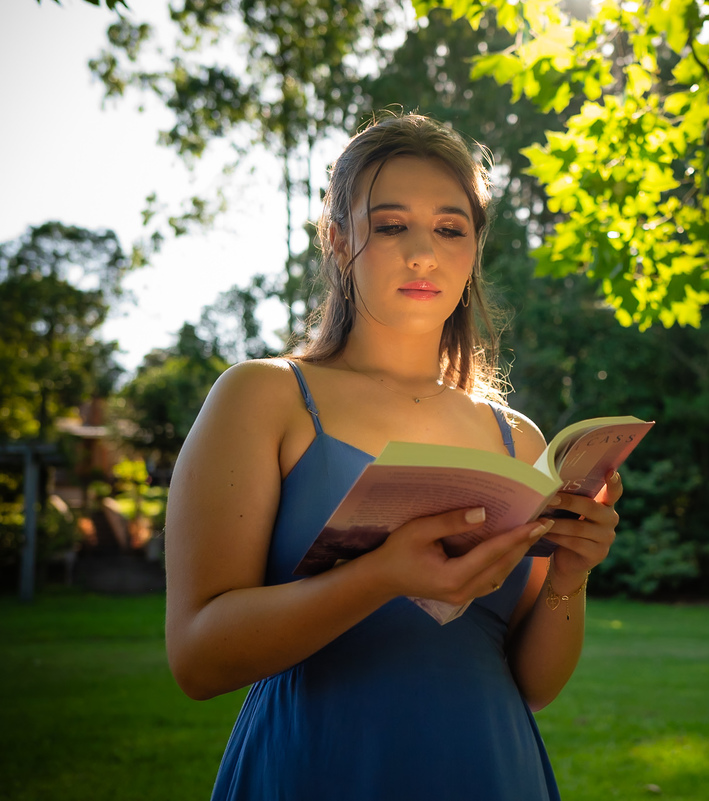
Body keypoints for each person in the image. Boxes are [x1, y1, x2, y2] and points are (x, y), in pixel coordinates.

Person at [164, 113, 622, 801]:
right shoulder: (263, 397)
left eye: (448, 227)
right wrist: (380, 576)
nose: (422, 253)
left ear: (473, 251)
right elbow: (197, 658)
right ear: (337, 238)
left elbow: (536, 685)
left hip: (492, 770)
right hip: (315, 767)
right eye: (388, 225)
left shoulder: (518, 440)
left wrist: (571, 574)